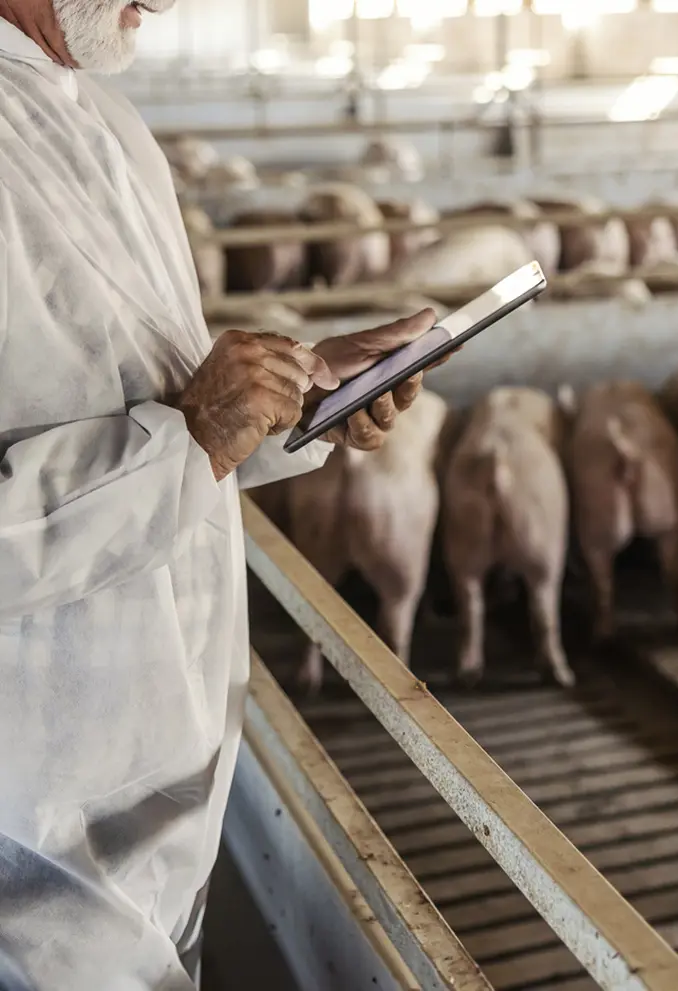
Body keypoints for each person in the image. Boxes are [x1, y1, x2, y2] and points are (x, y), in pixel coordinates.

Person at [0, 1, 443, 988]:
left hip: (170, 774)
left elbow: (164, 401)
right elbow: (177, 434)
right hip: (26, 825)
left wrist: (305, 391)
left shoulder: (108, 123)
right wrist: (192, 436)